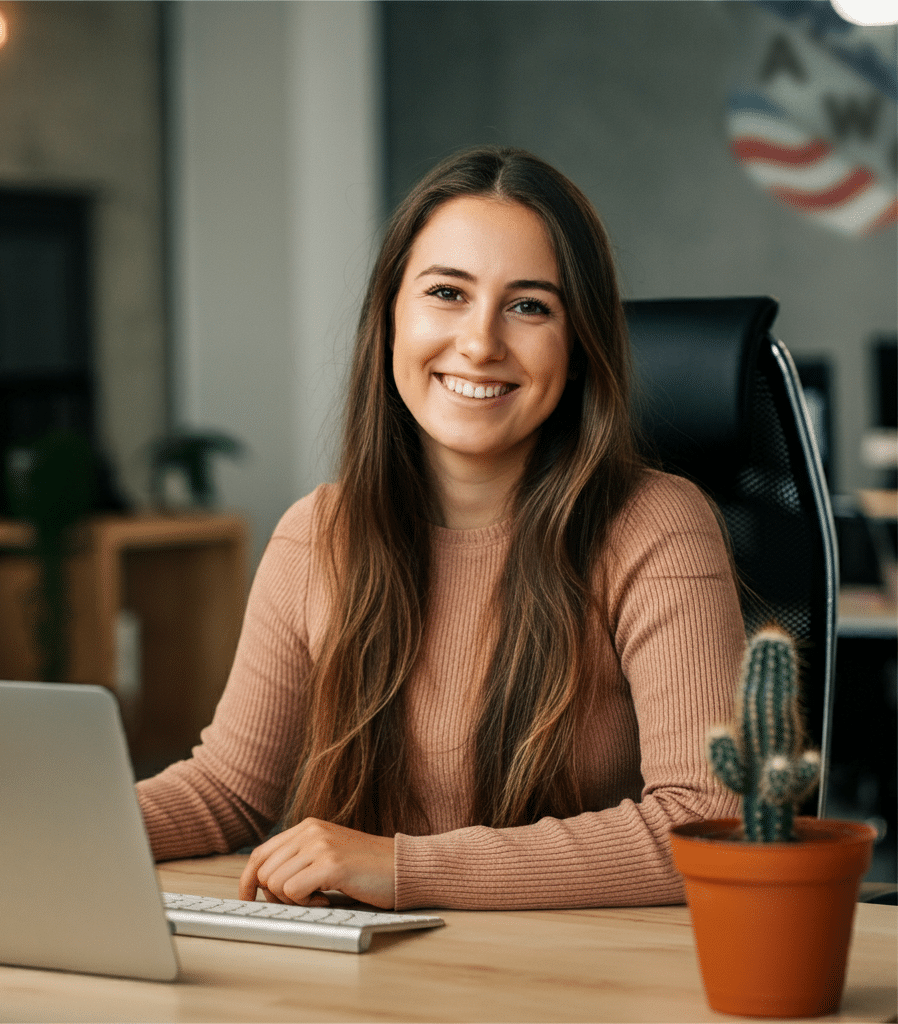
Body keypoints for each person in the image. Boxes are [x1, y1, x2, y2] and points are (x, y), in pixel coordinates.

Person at [136, 146, 746, 912]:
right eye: (447, 293)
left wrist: (403, 869)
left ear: (580, 344)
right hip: (377, 976)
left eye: (530, 306)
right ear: (392, 315)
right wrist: (44, 822)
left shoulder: (654, 525)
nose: (481, 342)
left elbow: (711, 823)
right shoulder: (318, 534)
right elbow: (225, 791)